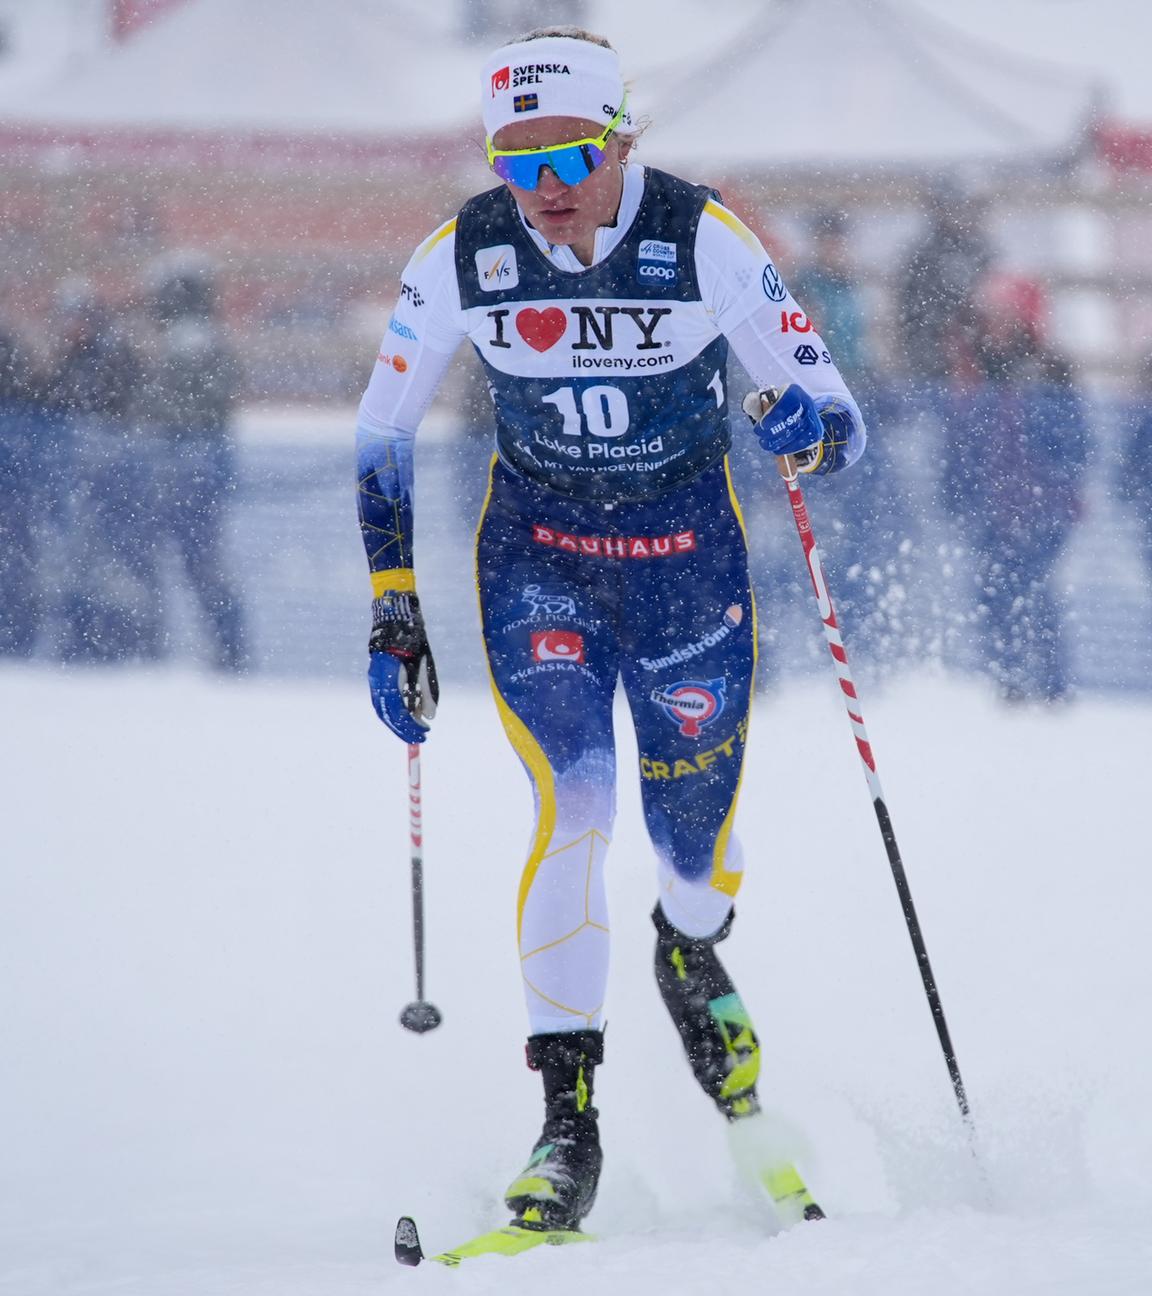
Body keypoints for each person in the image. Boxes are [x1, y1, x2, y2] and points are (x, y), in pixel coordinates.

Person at [355, 27, 865, 1232]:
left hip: (689, 573)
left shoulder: (702, 239)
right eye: (517, 162)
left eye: (571, 156)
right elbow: (383, 431)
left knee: (693, 850)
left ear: (621, 139)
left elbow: (838, 421)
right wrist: (391, 606)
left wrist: (804, 423)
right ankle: (566, 1124)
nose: (547, 191)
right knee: (577, 804)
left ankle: (689, 950)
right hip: (542, 565)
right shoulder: (464, 256)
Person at [940, 273, 1088, 702]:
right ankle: (1006, 681)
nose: (997, 326)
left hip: (1042, 509)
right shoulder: (972, 370)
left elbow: (1076, 443)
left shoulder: (1051, 373)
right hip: (991, 507)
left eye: (1006, 316)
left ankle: (1052, 683)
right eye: (992, 317)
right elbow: (960, 444)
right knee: (993, 593)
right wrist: (957, 494)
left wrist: (1052, 486)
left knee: (1038, 592)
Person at [135, 262, 249, 672]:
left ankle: (220, 652)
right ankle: (225, 650)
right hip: (192, 472)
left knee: (191, 566)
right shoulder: (201, 339)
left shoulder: (191, 342)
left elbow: (179, 405)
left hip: (185, 472)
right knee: (202, 568)